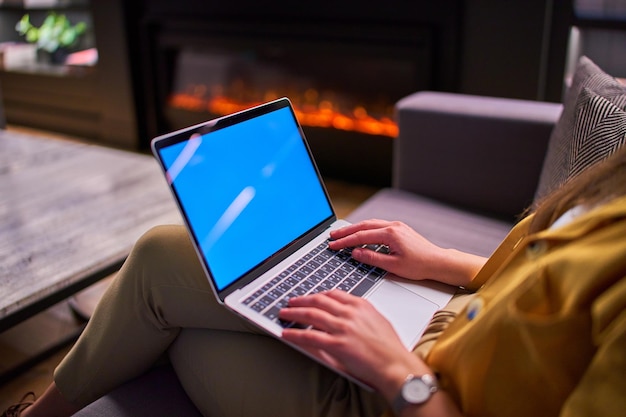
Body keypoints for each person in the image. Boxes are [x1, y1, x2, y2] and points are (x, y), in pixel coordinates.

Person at [4, 145, 626, 417]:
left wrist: (400, 378)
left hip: (405, 399)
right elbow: (544, 287)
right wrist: (441, 262)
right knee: (168, 256)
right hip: (445, 317)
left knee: (174, 318)